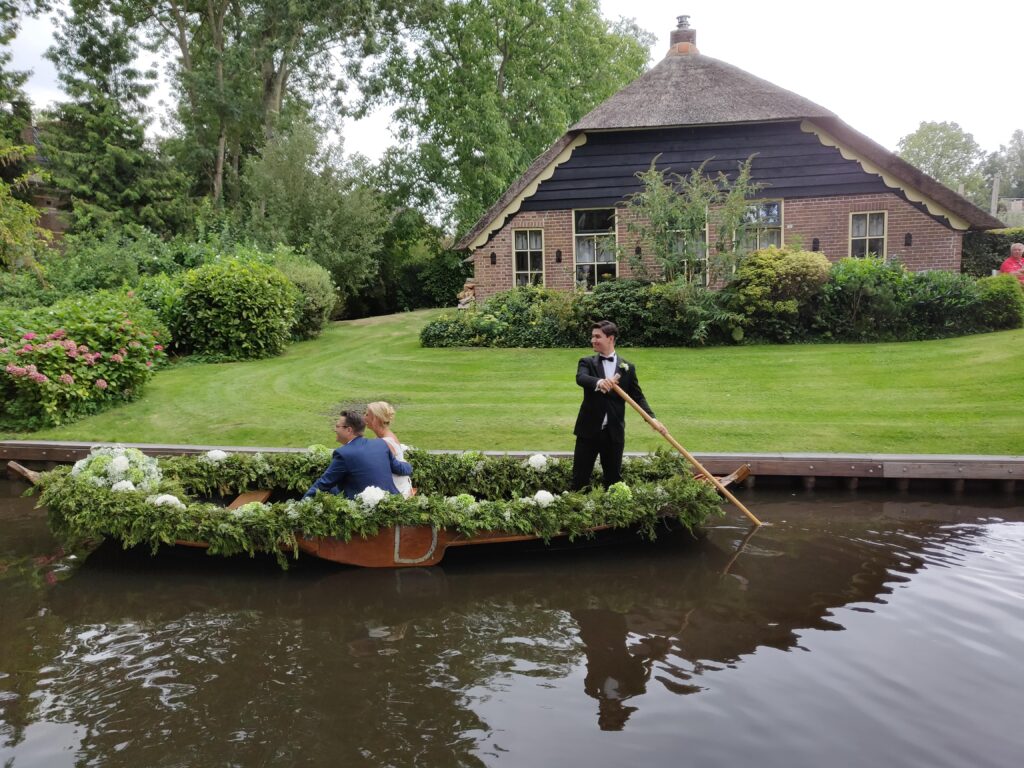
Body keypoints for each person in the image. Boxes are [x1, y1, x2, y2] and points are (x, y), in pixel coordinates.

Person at [572, 320, 666, 490]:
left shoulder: (627, 368)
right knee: (580, 479)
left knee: (613, 480)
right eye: (592, 336)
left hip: (613, 432)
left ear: (610, 338)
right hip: (588, 431)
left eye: (597, 336)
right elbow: (581, 378)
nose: (593, 340)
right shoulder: (587, 362)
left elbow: (638, 397)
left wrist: (652, 419)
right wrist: (600, 382)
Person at [303, 410, 413, 500]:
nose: (335, 429)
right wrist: (410, 465)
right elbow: (400, 468)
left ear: (349, 430)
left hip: (364, 508)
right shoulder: (381, 444)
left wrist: (300, 505)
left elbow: (323, 484)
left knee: (331, 490)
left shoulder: (343, 454)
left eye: (337, 426)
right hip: (391, 500)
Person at [364, 400, 413, 498]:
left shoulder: (386, 442)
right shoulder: (382, 437)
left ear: (375, 419)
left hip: (395, 491)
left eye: (367, 415)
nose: (364, 417)